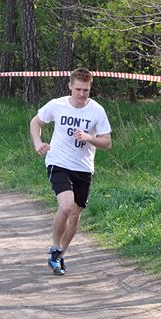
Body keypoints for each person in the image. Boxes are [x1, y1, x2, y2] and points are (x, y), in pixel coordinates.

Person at [29, 68, 112, 275]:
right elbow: (36, 122)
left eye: (86, 90)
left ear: (90, 88)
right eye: (78, 89)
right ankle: (55, 246)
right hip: (58, 163)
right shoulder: (57, 105)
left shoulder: (97, 111)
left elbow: (107, 142)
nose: (82, 94)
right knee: (66, 207)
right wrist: (37, 142)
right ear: (70, 86)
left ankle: (59, 256)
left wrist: (89, 137)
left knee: (74, 216)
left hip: (83, 168)